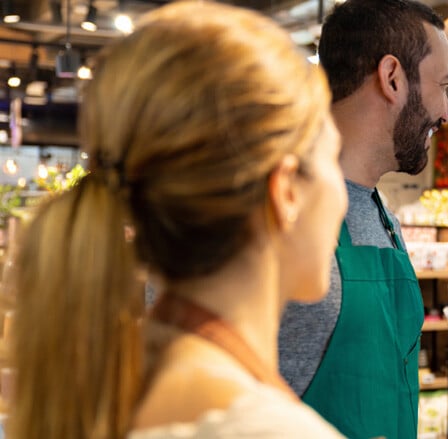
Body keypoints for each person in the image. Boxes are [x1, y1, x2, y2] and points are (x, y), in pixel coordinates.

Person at [8, 2, 347, 438]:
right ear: (284, 192)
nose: (340, 196)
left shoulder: (95, 386)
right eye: (331, 160)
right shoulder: (263, 429)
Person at [276, 0, 448, 437]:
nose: (447, 112)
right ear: (392, 78)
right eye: (443, 85)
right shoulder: (276, 212)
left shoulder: (383, 216)